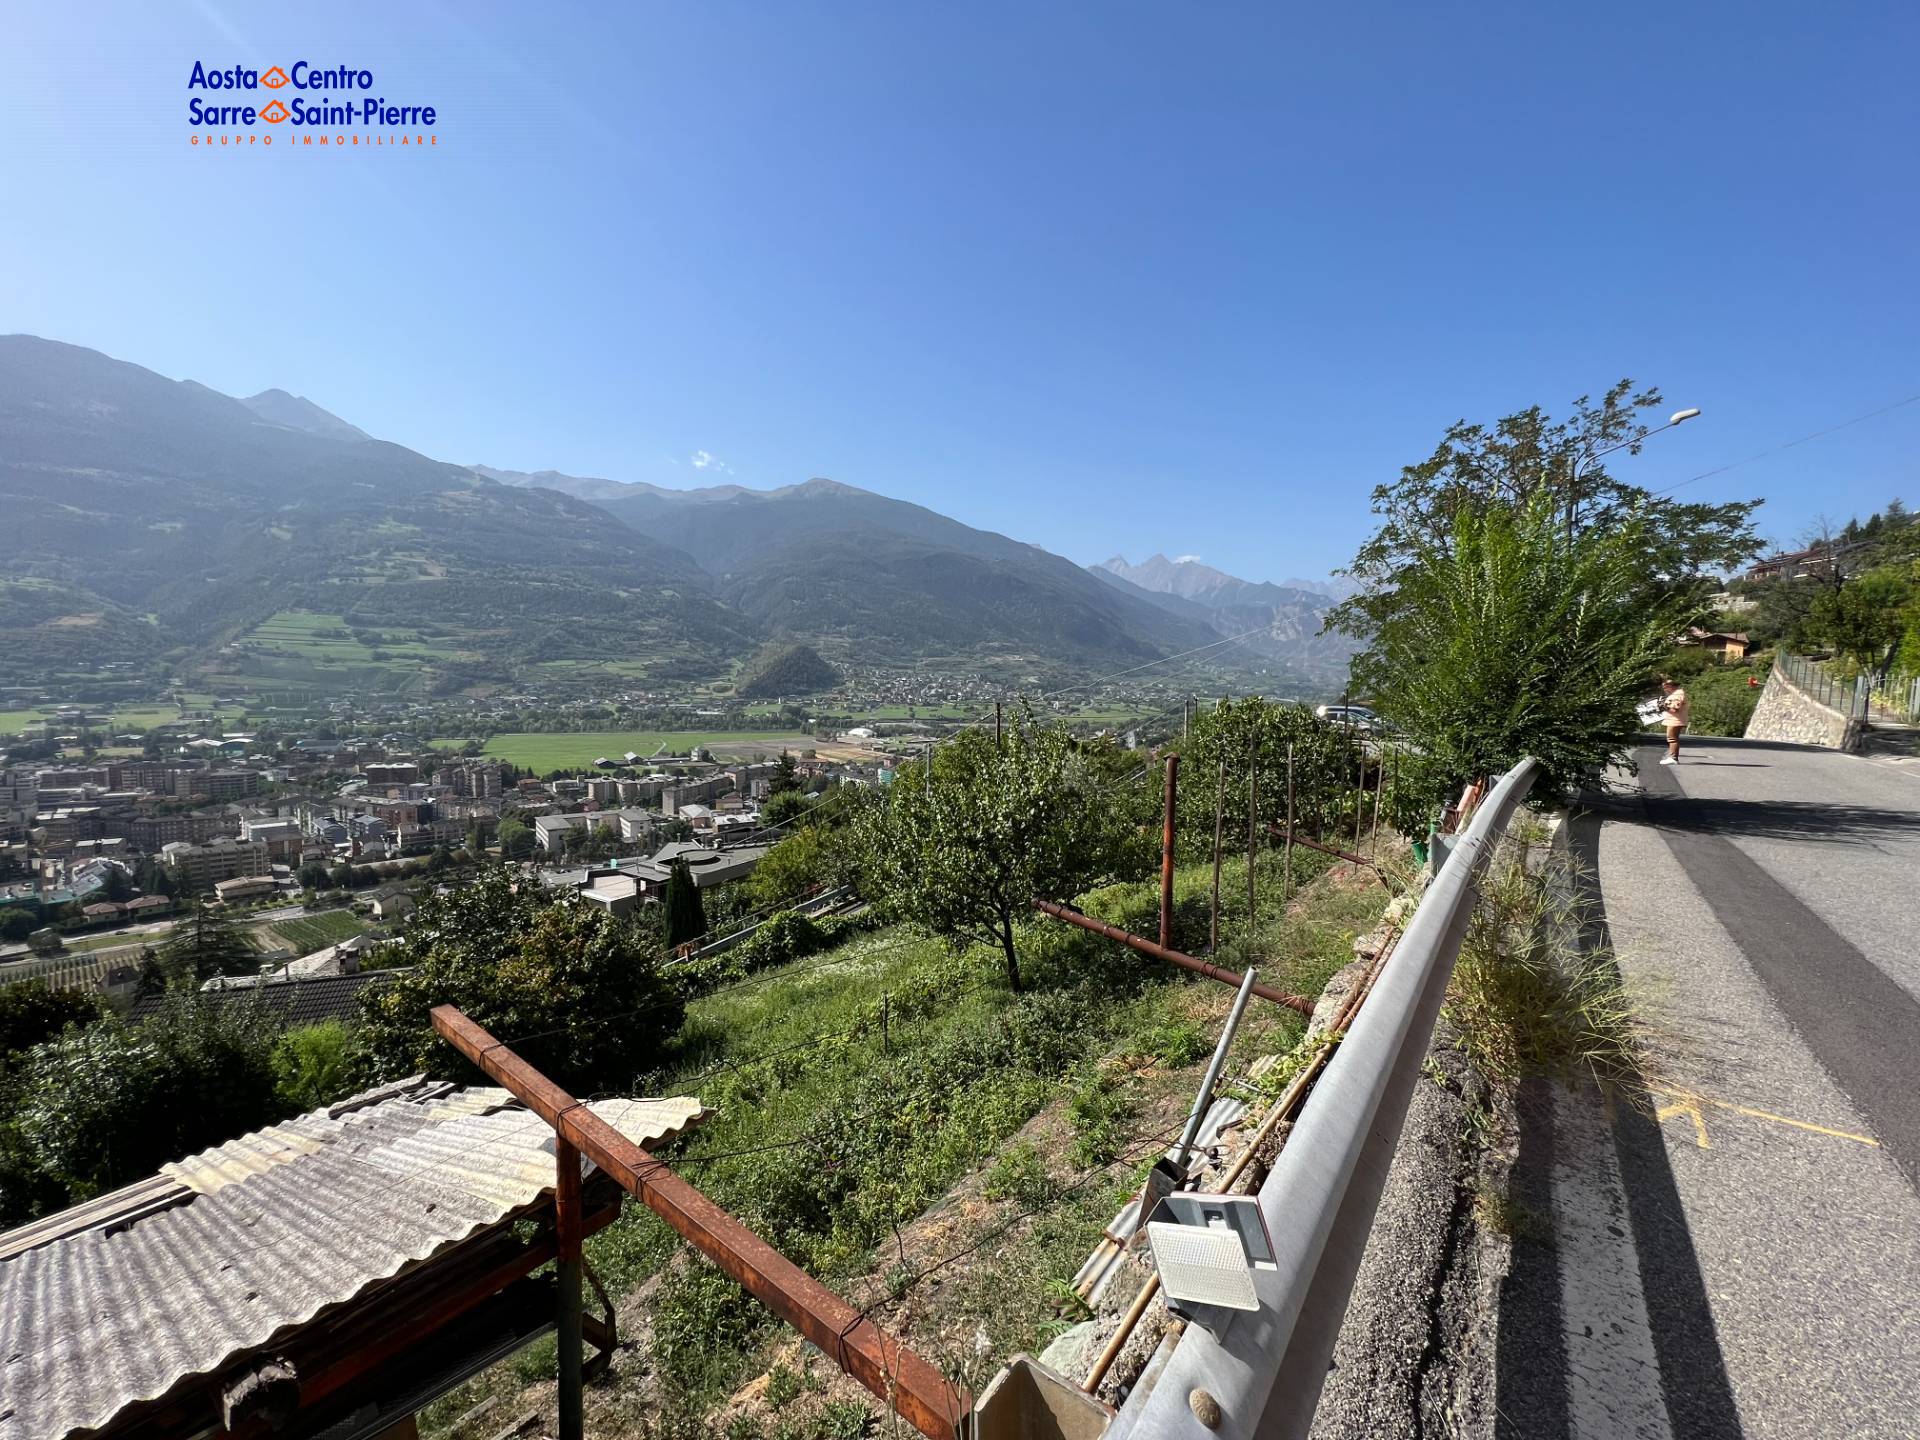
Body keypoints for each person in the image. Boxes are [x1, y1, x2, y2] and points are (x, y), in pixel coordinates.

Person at [1658, 676, 1689, 765]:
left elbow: (1675, 709)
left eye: (1665, 686)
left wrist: (1663, 706)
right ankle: (1673, 757)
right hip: (1674, 720)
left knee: (1672, 739)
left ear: (1671, 685)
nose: (1664, 689)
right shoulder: (1676, 693)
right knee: (1673, 738)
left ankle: (1673, 758)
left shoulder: (1677, 694)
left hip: (1675, 720)